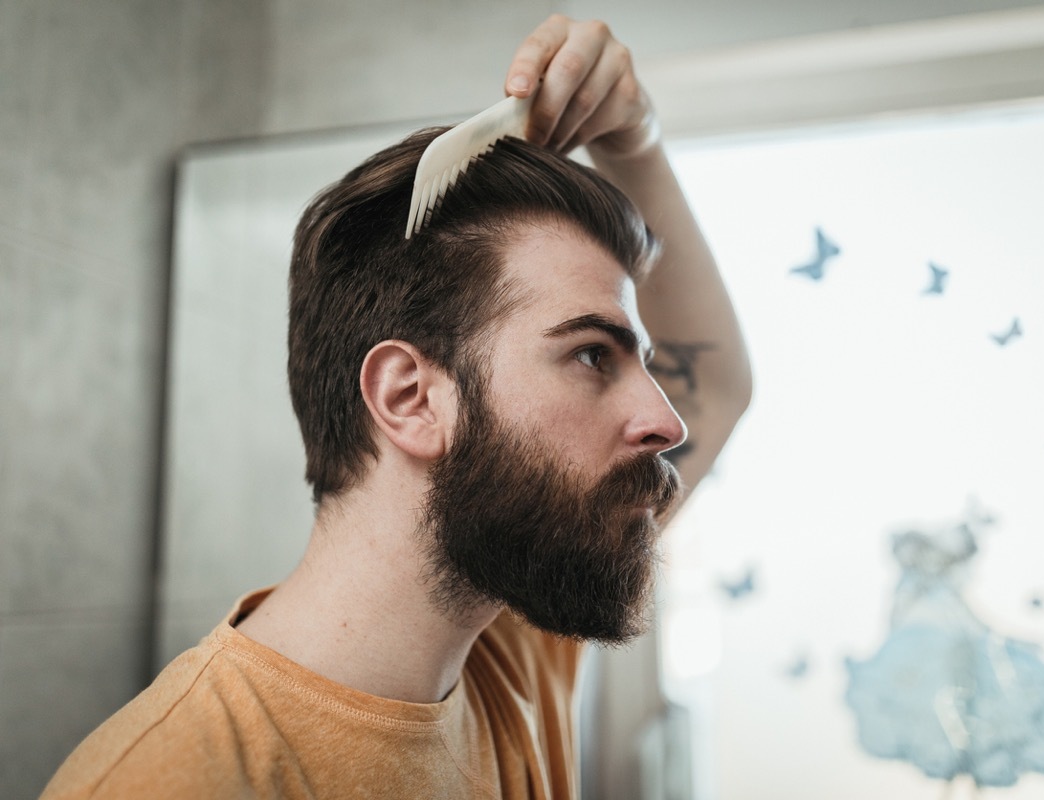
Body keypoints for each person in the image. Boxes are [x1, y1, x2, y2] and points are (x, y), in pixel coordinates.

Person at [41, 14, 750, 799]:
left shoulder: (507, 646)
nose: (666, 421)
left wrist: (635, 137)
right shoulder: (170, 782)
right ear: (410, 399)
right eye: (592, 354)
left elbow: (716, 386)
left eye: (640, 361)